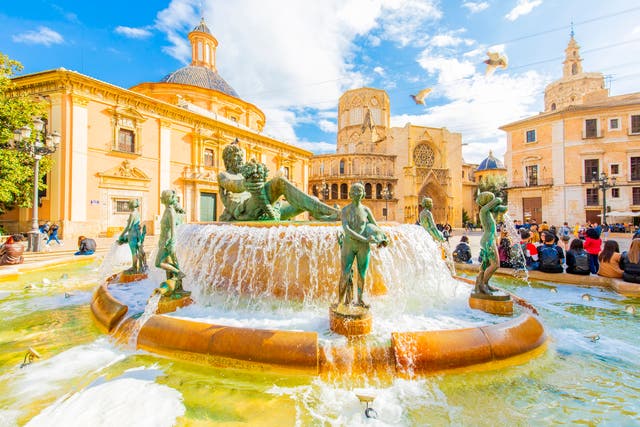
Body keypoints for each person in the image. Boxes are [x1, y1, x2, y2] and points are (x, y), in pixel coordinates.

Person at [218, 141, 339, 221]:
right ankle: (333, 212)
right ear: (227, 159)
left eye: (241, 156)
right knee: (279, 182)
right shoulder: (223, 175)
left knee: (313, 199)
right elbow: (235, 186)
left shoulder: (245, 173)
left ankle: (324, 215)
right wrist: (247, 183)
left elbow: (259, 188)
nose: (240, 159)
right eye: (236, 156)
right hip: (245, 211)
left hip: (266, 210)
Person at [337, 183, 388, 309]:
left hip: (363, 247)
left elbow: (375, 226)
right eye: (353, 190)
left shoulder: (366, 210)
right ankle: (340, 301)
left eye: (359, 190)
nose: (356, 193)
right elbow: (347, 229)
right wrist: (365, 239)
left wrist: (381, 237)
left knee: (362, 274)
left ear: (363, 194)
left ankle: (359, 299)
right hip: (349, 245)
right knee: (345, 274)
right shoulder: (345, 210)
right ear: (349, 194)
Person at [154, 189, 186, 296]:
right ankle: (174, 288)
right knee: (169, 265)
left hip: (167, 242)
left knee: (158, 263)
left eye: (163, 197)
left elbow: (173, 230)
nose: (160, 198)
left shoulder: (171, 211)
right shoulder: (167, 210)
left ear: (166, 199)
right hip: (163, 241)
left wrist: (171, 244)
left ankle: (179, 274)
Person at [474, 191, 507, 294]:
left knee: (485, 265)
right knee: (495, 265)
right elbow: (498, 200)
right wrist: (498, 200)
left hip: (489, 239)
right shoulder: (483, 211)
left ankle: (482, 284)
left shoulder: (488, 212)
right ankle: (483, 285)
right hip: (488, 240)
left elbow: (503, 208)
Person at [117, 199, 147, 273]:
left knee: (134, 252)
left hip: (132, 235)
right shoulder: (137, 213)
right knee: (140, 251)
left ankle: (134, 268)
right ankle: (142, 266)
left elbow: (129, 227)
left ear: (130, 205)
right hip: (138, 234)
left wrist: (121, 235)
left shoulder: (132, 214)